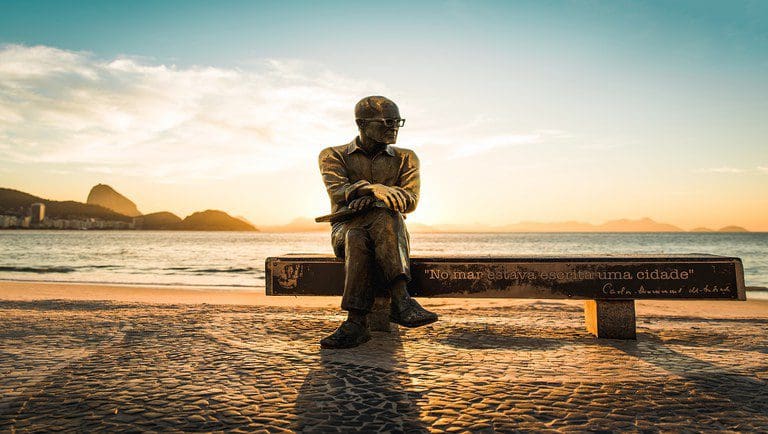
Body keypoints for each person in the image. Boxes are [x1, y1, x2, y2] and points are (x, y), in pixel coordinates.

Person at [318, 95, 438, 349]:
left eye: (397, 121)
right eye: (386, 121)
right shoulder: (333, 155)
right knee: (358, 229)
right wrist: (374, 189)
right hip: (343, 229)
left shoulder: (406, 157)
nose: (394, 127)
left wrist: (370, 199)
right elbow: (337, 191)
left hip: (389, 235)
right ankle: (401, 300)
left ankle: (355, 322)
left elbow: (410, 200)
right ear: (361, 124)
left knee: (366, 229)